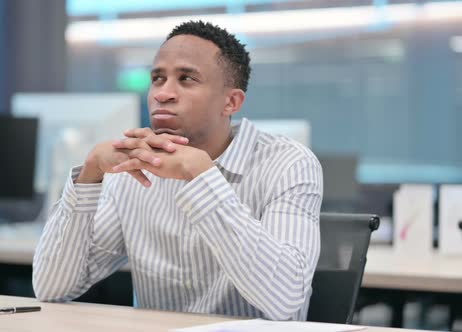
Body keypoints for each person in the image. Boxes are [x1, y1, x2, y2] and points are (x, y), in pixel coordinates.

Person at [33, 20, 323, 321]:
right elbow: (52, 288)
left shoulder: (288, 164)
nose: (163, 93)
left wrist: (202, 178)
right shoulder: (134, 172)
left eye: (186, 79)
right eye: (158, 79)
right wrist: (90, 174)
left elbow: (285, 299)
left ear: (231, 102)